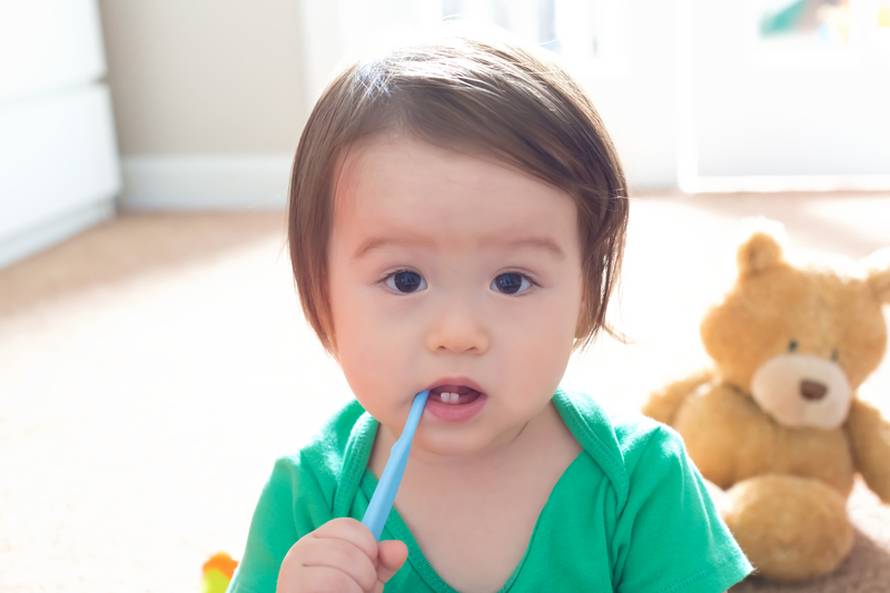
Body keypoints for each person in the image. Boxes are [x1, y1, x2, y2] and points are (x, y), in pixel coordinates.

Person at [227, 27, 753, 593]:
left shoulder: (643, 483)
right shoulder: (309, 497)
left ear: (584, 292)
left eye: (511, 280)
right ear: (320, 294)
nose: (458, 334)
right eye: (405, 280)